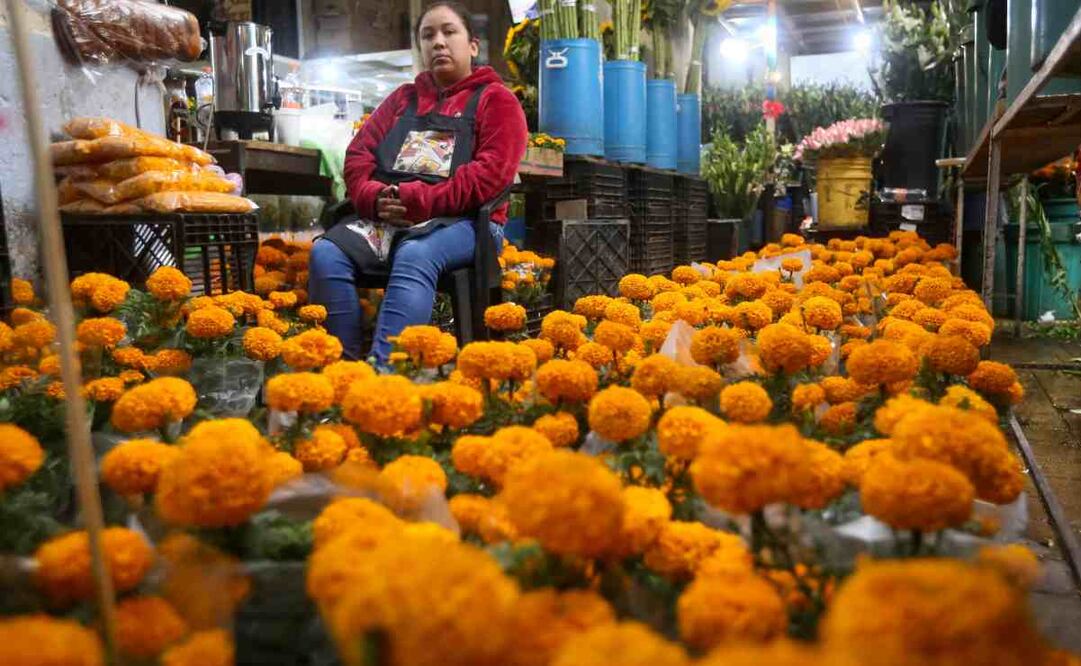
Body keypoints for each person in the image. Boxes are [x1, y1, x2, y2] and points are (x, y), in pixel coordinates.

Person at [309, 0, 527, 363]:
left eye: (449, 32)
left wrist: (419, 201)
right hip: (390, 218)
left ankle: (386, 375)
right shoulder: (402, 100)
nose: (438, 42)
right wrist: (374, 198)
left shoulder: (497, 101)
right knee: (326, 253)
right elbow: (358, 155)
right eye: (428, 35)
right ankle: (343, 373)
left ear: (472, 45)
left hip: (468, 224)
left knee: (416, 251)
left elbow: (489, 176)